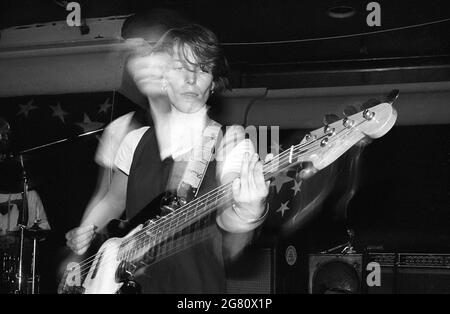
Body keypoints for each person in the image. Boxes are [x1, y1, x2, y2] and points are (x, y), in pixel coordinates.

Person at [66, 24, 270, 293]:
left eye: (203, 68)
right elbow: (114, 200)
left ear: (213, 84)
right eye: (180, 67)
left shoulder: (230, 140)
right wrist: (87, 228)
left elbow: (227, 218)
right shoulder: (134, 140)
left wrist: (249, 211)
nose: (191, 78)